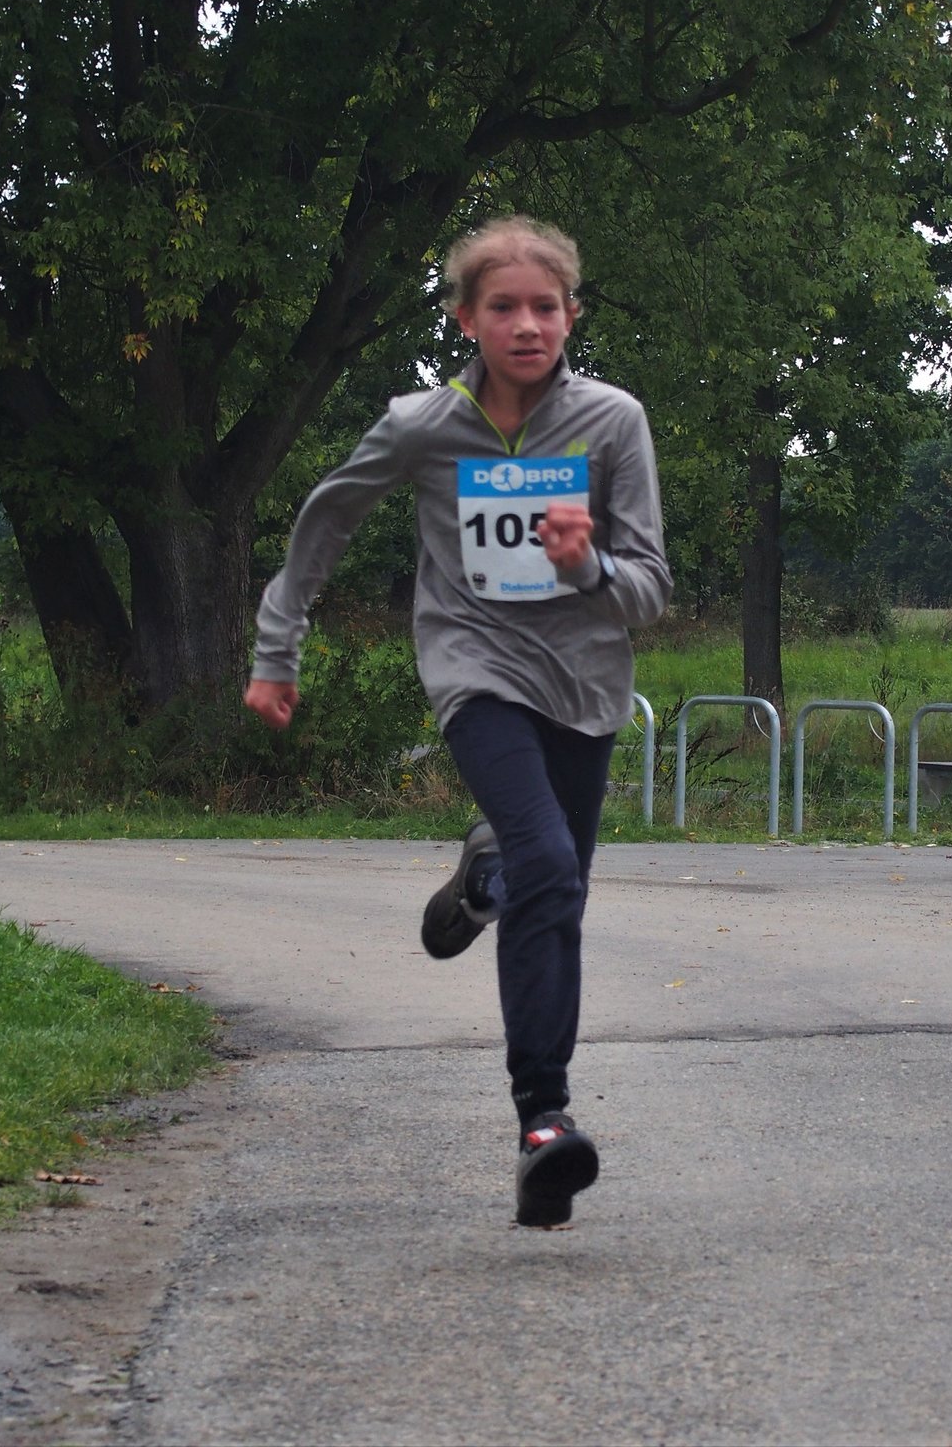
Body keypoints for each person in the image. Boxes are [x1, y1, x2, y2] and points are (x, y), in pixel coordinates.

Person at [244, 216, 672, 1226]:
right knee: (550, 866)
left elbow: (651, 589)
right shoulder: (422, 425)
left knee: (550, 887)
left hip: (585, 684)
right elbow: (328, 516)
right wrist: (276, 648)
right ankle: (543, 1124)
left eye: (544, 307)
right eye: (502, 307)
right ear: (465, 319)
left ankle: (487, 877)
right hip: (473, 669)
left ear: (571, 315)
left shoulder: (613, 422)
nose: (526, 325)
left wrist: (589, 566)